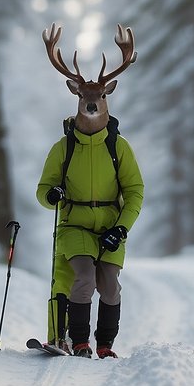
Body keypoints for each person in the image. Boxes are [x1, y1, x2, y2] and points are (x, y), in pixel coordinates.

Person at [36, 115, 143, 358]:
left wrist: (121, 227)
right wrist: (51, 196)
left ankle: (105, 344)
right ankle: (80, 342)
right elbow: (43, 190)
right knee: (84, 278)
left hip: (111, 227)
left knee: (110, 286)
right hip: (74, 225)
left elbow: (135, 190)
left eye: (99, 97)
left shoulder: (119, 147)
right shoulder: (63, 148)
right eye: (84, 97)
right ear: (78, 99)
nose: (91, 104)